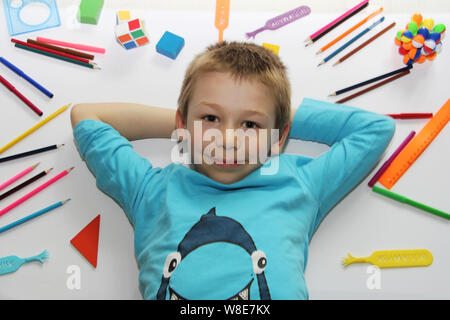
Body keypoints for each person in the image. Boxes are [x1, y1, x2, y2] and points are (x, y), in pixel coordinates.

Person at [70, 41, 395, 300]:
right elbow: (86, 116)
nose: (227, 140)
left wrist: (276, 115)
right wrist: (186, 124)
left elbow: (375, 129)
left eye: (249, 124)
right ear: (182, 124)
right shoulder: (151, 190)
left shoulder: (299, 184)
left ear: (279, 136)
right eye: (211, 119)